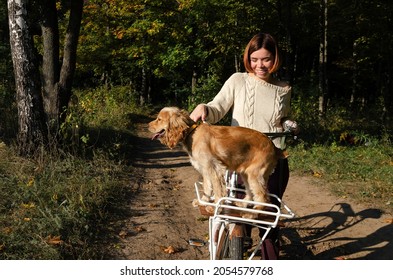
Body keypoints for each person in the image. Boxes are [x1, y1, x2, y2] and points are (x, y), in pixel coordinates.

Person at [190, 32, 298, 260]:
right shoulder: (238, 80)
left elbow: (282, 118)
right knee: (239, 214)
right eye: (254, 59)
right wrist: (204, 108)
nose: (260, 65)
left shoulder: (284, 88)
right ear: (247, 58)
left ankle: (270, 261)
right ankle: (240, 248)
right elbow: (217, 107)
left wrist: (290, 123)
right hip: (240, 158)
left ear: (275, 58)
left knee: (268, 218)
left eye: (266, 59)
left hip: (271, 158)